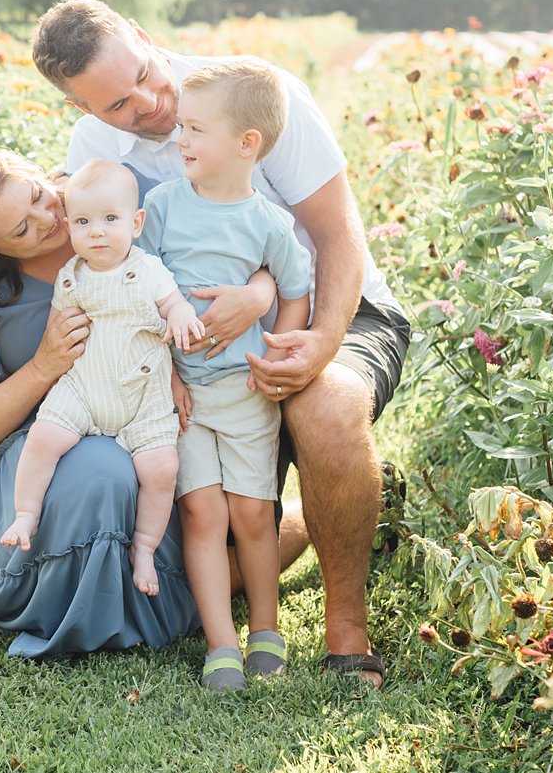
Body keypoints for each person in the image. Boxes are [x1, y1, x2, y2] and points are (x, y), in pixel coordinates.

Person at [31, 0, 411, 688]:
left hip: (336, 303)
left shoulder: (253, 95)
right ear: (80, 109)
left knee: (321, 409)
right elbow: (123, 269)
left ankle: (346, 631)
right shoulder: (94, 155)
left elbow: (335, 235)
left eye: (144, 73)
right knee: (203, 540)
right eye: (117, 104)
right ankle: (343, 509)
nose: (149, 103)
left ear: (144, 36)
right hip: (196, 348)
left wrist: (306, 331)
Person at [0, 148, 308, 659]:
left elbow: (232, 249)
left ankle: (301, 526)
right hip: (47, 447)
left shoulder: (105, 205)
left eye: (38, 197)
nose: (51, 218)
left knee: (216, 509)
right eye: (21, 230)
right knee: (102, 469)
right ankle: (125, 594)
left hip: (143, 418)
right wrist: (43, 366)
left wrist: (258, 294)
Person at [139, 62, 312, 690]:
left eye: (195, 129)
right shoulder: (159, 208)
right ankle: (221, 644)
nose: (180, 139)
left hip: (244, 394)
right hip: (181, 398)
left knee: (253, 513)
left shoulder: (268, 222)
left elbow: (294, 291)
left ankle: (265, 628)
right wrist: (169, 377)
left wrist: (278, 354)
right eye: (181, 125)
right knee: (203, 515)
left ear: (247, 145)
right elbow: (143, 293)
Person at [0, 159, 203, 599]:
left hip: (142, 396)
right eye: (84, 222)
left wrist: (183, 316)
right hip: (84, 389)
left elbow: (173, 305)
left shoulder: (146, 269)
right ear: (70, 226)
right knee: (44, 437)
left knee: (162, 469)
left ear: (136, 222)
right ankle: (25, 513)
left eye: (110, 220)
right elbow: (57, 332)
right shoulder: (71, 276)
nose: (96, 232)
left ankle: (145, 548)